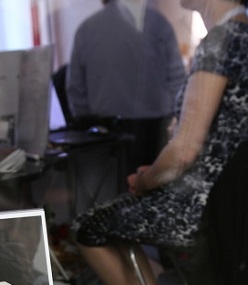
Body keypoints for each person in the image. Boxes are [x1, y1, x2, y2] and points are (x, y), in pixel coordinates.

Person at [71, 0, 248, 285]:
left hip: (200, 210)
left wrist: (145, 181)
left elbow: (183, 152)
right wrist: (155, 171)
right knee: (117, 219)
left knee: (87, 227)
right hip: (220, 203)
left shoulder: (222, 41)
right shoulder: (247, 35)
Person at [66, 0, 186, 170]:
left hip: (104, 131)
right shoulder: (159, 24)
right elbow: (178, 80)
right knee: (148, 181)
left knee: (110, 182)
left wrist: (87, 121)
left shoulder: (86, 29)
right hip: (153, 128)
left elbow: (75, 87)